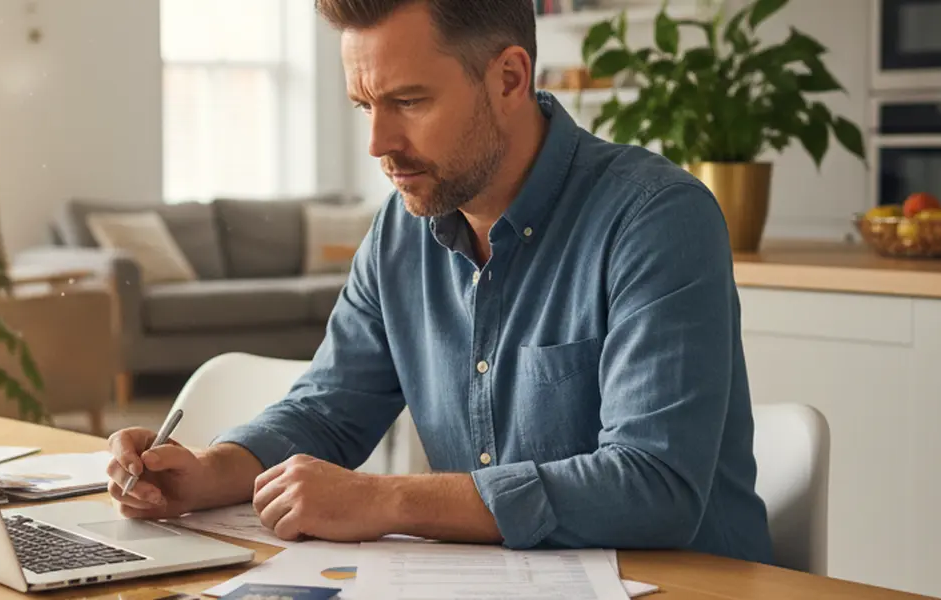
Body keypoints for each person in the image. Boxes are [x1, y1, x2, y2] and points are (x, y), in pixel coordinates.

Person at [105, 0, 773, 563]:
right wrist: (208, 472)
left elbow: (654, 488)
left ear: (509, 77)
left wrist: (386, 498)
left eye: (408, 101)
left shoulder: (656, 218)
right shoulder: (401, 230)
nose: (378, 143)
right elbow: (328, 410)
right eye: (364, 104)